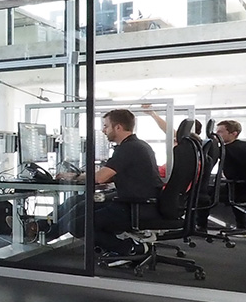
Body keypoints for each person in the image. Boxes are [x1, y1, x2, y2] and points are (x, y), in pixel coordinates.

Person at [53, 108, 163, 256]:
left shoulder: (128, 148)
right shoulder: (137, 145)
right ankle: (44, 230)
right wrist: (75, 176)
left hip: (134, 206)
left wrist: (76, 177)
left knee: (77, 223)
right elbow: (109, 175)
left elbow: (100, 178)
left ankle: (130, 249)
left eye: (106, 126)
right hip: (137, 203)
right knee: (78, 202)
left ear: (118, 127)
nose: (103, 131)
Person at [215, 119, 246, 188]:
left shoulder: (227, 150)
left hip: (238, 188)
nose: (216, 134)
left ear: (234, 134)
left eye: (220, 132)